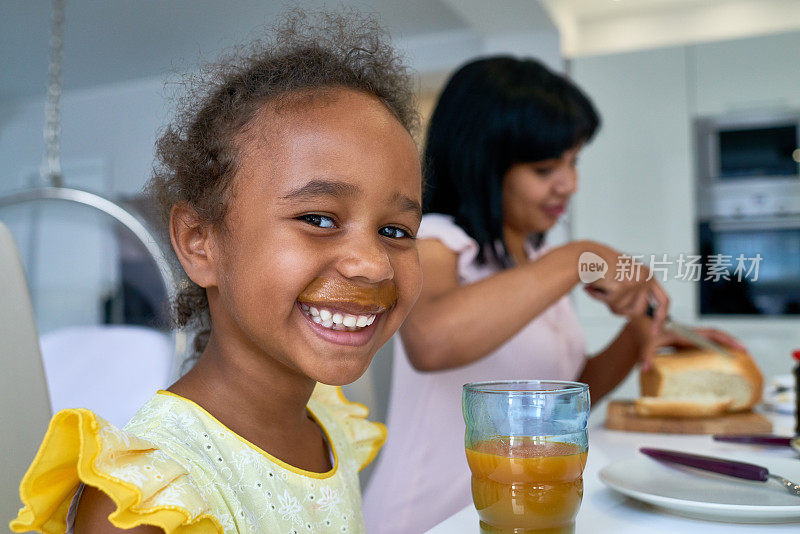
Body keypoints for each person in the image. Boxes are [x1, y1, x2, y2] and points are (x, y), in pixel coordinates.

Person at [11, 10, 424, 534]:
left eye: (396, 231)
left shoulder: (324, 424)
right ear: (199, 242)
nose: (372, 264)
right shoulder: (151, 501)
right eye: (318, 219)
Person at [363, 56, 744, 533]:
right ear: (484, 163)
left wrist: (638, 334)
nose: (570, 184)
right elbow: (431, 342)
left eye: (573, 161)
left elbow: (562, 396)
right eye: (546, 168)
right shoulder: (438, 241)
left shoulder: (529, 260)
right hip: (434, 516)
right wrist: (577, 258)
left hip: (526, 511)